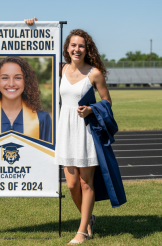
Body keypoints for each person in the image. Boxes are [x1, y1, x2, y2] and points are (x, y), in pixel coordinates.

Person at [25, 18, 126, 245]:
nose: (77, 49)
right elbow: (34, 60)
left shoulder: (94, 73)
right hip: (66, 130)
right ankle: (88, 218)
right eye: (73, 45)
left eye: (81, 45)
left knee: (85, 183)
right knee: (71, 185)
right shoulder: (60, 69)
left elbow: (107, 101)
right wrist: (33, 28)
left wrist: (92, 109)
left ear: (86, 48)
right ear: (67, 48)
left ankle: (82, 231)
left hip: (86, 131)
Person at [0, 56, 52, 143]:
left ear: (26, 81)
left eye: (18, 78)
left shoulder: (42, 119)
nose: (11, 84)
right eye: (5, 78)